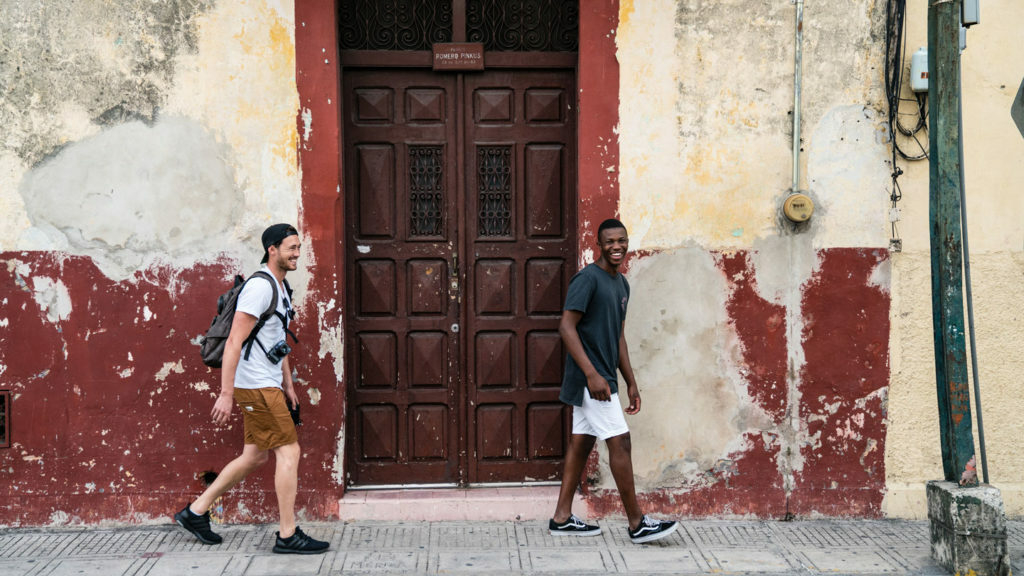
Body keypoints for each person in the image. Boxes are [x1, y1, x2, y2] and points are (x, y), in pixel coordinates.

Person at [174, 223, 329, 554]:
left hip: (268, 383)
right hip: (255, 386)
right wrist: (226, 393)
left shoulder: (280, 286)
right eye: (291, 248)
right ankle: (287, 535)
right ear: (272, 249)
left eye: (299, 247)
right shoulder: (259, 288)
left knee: (254, 456)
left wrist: (288, 383)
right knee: (289, 451)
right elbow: (233, 342)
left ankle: (195, 512)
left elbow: (276, 339)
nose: (297, 253)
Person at [548, 218, 679, 544]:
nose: (617, 247)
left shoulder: (621, 284)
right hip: (590, 378)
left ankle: (561, 518)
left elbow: (617, 336)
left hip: (606, 377)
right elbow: (566, 327)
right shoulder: (587, 280)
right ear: (599, 244)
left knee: (582, 443)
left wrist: (631, 381)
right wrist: (592, 374)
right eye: (609, 242)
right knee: (620, 441)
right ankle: (637, 524)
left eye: (621, 240)